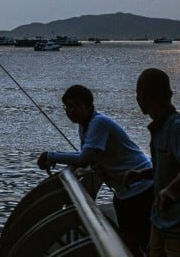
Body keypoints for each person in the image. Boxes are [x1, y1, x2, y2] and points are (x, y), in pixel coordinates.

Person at [37, 84, 154, 255]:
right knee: (131, 241)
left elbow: (85, 159)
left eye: (76, 105)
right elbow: (86, 155)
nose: (71, 110)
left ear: (89, 106)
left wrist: (52, 156)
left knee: (145, 242)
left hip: (141, 188)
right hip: (124, 192)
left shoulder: (99, 123)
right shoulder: (85, 126)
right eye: (68, 106)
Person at [125, 68, 180, 257]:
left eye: (138, 94)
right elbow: (169, 168)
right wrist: (143, 175)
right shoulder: (159, 129)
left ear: (143, 97)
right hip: (160, 223)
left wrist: (171, 191)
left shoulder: (178, 128)